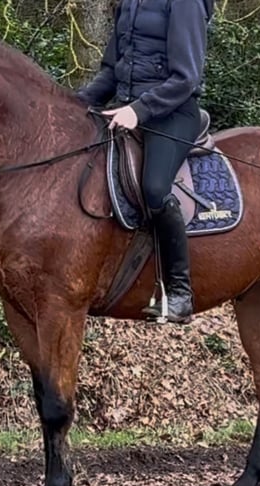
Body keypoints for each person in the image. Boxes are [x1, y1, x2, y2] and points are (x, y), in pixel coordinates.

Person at [77, 0, 214, 323]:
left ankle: (180, 293)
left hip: (173, 112)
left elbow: (186, 78)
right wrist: (73, 104)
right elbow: (111, 71)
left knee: (154, 188)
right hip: (128, 109)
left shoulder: (185, 4)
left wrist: (138, 111)